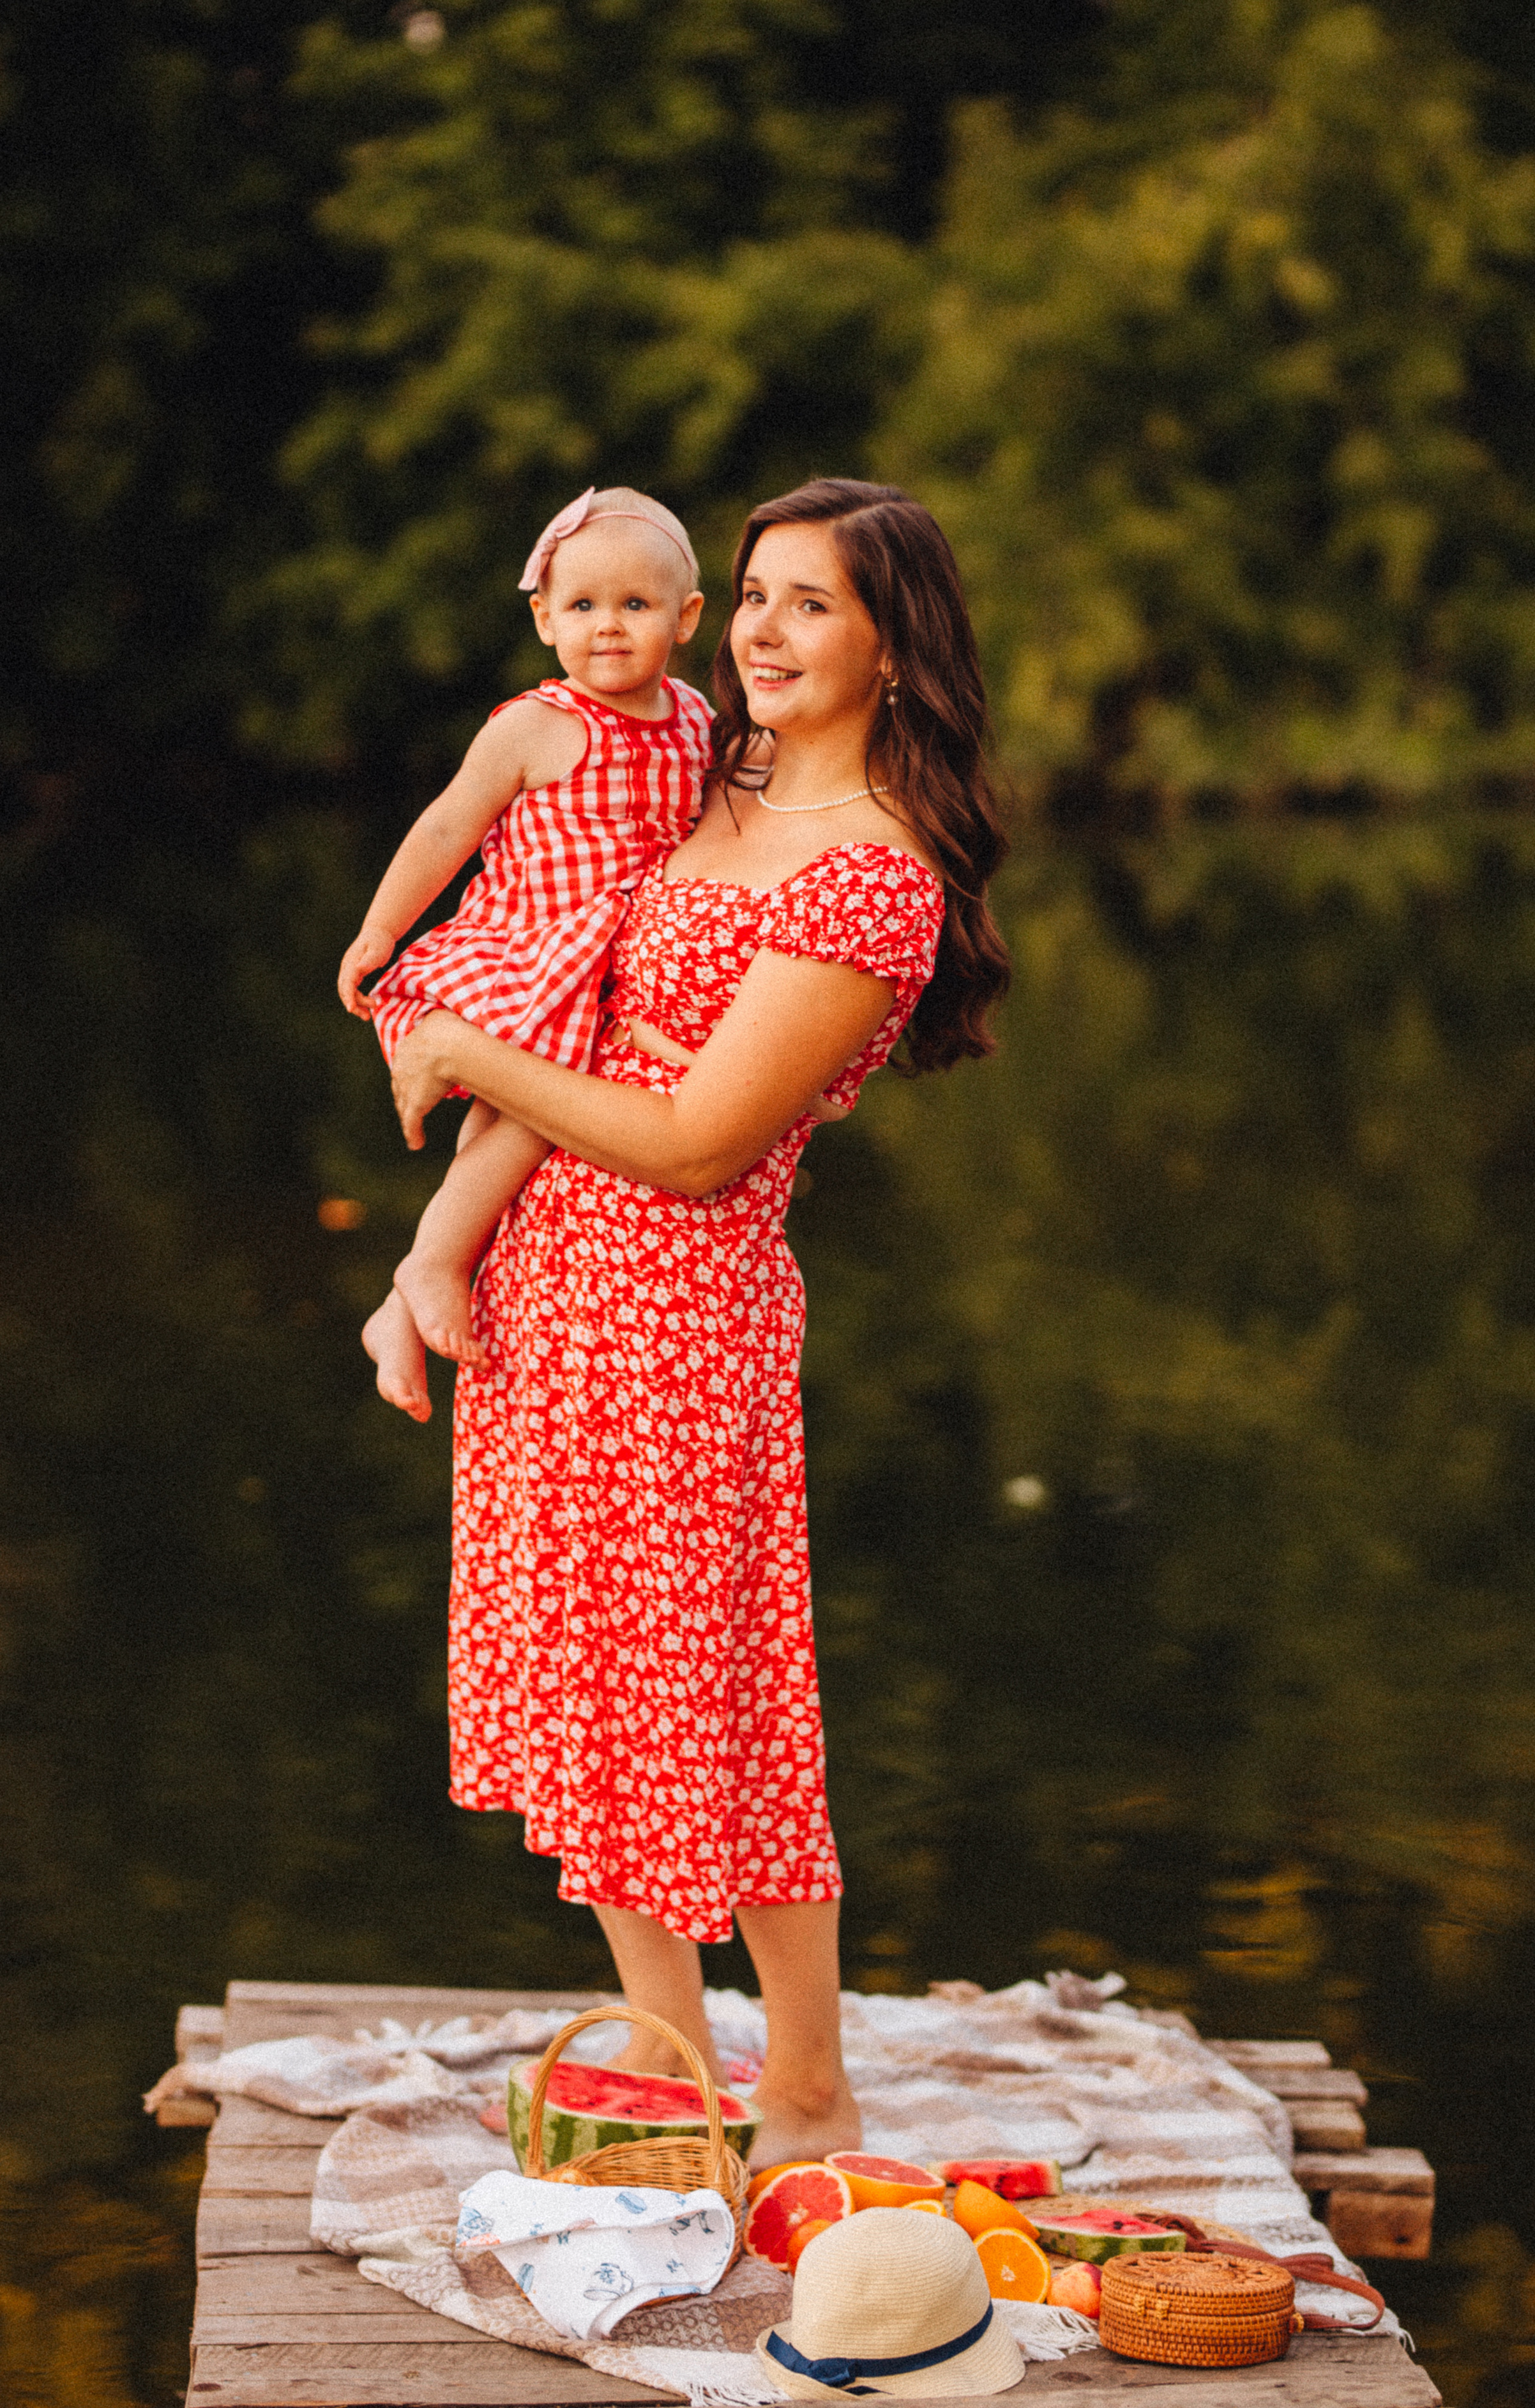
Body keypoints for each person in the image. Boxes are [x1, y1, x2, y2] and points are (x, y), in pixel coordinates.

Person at [388, 479, 1009, 2166]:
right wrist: (437, 1239)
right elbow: (544, 895)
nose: (758, 631)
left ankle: (803, 2081)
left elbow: (697, 1139)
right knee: (590, 1689)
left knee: (721, 1702)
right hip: (550, 1302)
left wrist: (465, 1057)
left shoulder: (878, 882)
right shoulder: (707, 772)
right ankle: (671, 2058)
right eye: (750, 596)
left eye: (809, 604)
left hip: (680, 1322)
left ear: (896, 646)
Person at [336, 485, 709, 1422]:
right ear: (545, 620)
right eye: (582, 607)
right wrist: (382, 928)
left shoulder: (701, 722)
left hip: (608, 960)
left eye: (635, 606)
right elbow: (446, 827)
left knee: (512, 1130)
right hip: (529, 952)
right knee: (533, 1117)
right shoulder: (537, 726)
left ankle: (401, 1302)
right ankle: (430, 1264)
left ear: (686, 618)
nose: (609, 629)